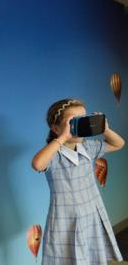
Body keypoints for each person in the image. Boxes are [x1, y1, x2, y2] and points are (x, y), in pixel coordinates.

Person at [32, 98, 125, 264]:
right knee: (69, 257)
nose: (81, 124)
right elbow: (38, 164)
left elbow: (119, 144)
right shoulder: (54, 155)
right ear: (56, 128)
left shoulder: (89, 147)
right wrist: (61, 138)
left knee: (92, 255)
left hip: (91, 212)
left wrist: (106, 130)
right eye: (74, 122)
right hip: (67, 218)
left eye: (84, 118)